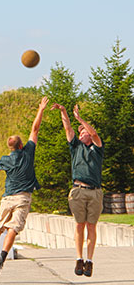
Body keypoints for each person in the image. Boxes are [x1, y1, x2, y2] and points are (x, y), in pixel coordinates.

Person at [0, 96, 48, 278]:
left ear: (10, 147)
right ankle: (1, 258)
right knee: (13, 229)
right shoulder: (28, 153)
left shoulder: (5, 159)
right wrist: (40, 108)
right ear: (21, 144)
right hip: (22, 197)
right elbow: (35, 129)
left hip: (7, 197)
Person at [51, 103, 104, 277]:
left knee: (92, 226)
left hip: (94, 191)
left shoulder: (97, 149)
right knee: (79, 225)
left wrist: (80, 119)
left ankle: (90, 261)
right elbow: (67, 128)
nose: (81, 133)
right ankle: (79, 258)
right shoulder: (75, 147)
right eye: (80, 132)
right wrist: (64, 111)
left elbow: (95, 134)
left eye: (83, 132)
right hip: (78, 190)